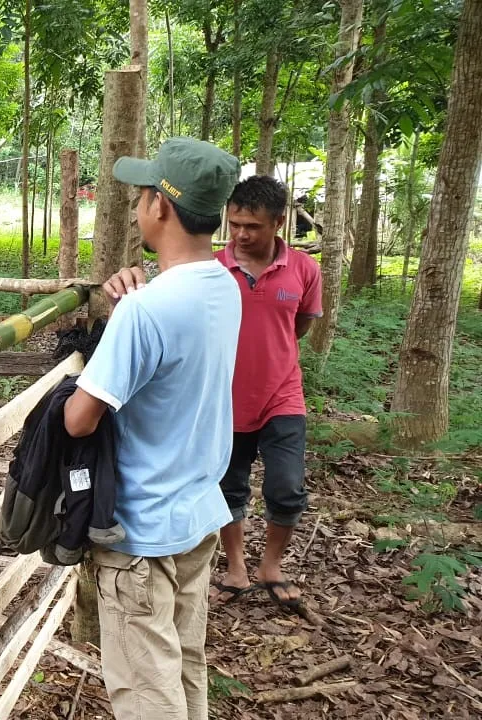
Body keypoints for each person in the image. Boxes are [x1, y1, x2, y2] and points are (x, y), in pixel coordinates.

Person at [62, 137, 242, 720]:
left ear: (160, 205)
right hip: (196, 512)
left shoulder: (147, 310)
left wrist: (123, 323)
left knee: (145, 691)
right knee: (183, 666)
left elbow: (80, 418)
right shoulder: (225, 287)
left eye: (142, 195)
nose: (138, 206)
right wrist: (131, 308)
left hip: (141, 528)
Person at [211, 176, 322, 612]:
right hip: (224, 397)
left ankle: (271, 567)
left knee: (286, 485)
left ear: (278, 223)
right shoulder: (212, 269)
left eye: (253, 226)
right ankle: (235, 568)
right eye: (235, 224)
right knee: (228, 486)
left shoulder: (304, 270)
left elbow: (300, 326)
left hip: (282, 394)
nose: (241, 234)